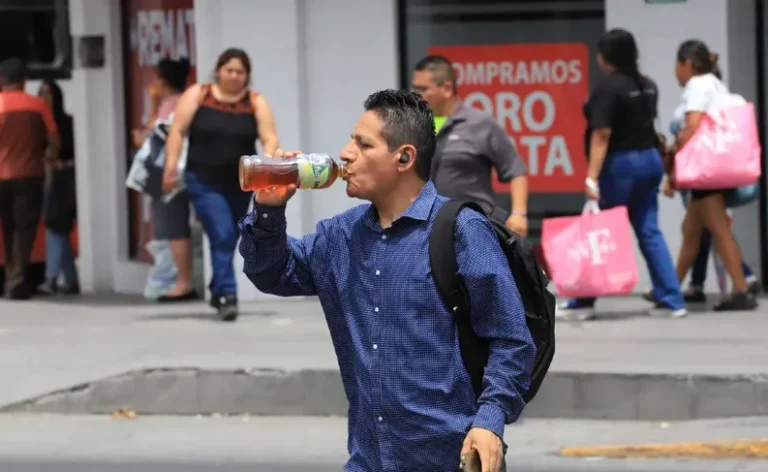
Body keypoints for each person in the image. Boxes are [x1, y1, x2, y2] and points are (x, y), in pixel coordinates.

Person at [238, 89, 535, 472]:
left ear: (404, 158)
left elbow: (511, 339)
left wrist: (489, 420)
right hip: (368, 460)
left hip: (450, 460)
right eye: (351, 141)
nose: (345, 153)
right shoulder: (340, 237)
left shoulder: (460, 231)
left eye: (363, 144)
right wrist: (268, 209)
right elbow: (271, 272)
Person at [556, 29, 687, 320]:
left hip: (621, 165)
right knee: (649, 230)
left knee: (596, 229)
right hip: (649, 161)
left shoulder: (608, 88)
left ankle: (583, 301)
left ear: (605, 58)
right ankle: (672, 299)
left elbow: (602, 134)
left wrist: (591, 177)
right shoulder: (648, 84)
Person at [163, 48, 279, 320]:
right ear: (218, 71)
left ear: (247, 76)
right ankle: (228, 295)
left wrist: (269, 165)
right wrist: (170, 166)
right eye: (229, 70)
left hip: (241, 182)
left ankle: (217, 286)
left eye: (240, 71)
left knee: (229, 235)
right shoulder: (199, 95)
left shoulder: (255, 102)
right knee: (223, 233)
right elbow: (177, 130)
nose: (234, 76)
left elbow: (270, 137)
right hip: (203, 179)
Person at [662, 39, 758, 311]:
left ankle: (741, 290)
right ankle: (670, 289)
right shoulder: (715, 84)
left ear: (688, 64)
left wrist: (676, 157)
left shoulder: (698, 84)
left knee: (719, 231)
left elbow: (693, 124)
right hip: (714, 169)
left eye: (677, 65)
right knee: (690, 232)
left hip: (706, 170)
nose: (676, 71)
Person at [411, 55, 529, 236]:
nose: (416, 94)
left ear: (447, 88)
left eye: (423, 89)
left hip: (474, 227)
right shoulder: (414, 127)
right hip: (426, 228)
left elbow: (516, 171)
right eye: (415, 88)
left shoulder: (481, 124)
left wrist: (519, 214)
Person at [132, 57, 196, 302]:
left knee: (172, 227)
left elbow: (156, 138)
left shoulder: (171, 104)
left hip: (172, 175)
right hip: (181, 172)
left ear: (162, 80)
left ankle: (182, 282)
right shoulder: (178, 102)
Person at [0, 58, 59, 300]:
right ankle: (17, 280)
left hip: (1, 176)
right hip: (30, 175)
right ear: (24, 80)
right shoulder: (38, 106)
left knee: (8, 227)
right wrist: (48, 158)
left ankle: (11, 277)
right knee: (24, 229)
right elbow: (54, 140)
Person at [37, 79, 80, 295]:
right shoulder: (35, 122)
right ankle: (70, 279)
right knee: (57, 227)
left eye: (49, 93)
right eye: (42, 93)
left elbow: (76, 154)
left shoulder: (67, 122)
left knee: (56, 225)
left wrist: (59, 163)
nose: (45, 98)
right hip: (44, 180)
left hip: (63, 179)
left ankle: (51, 277)